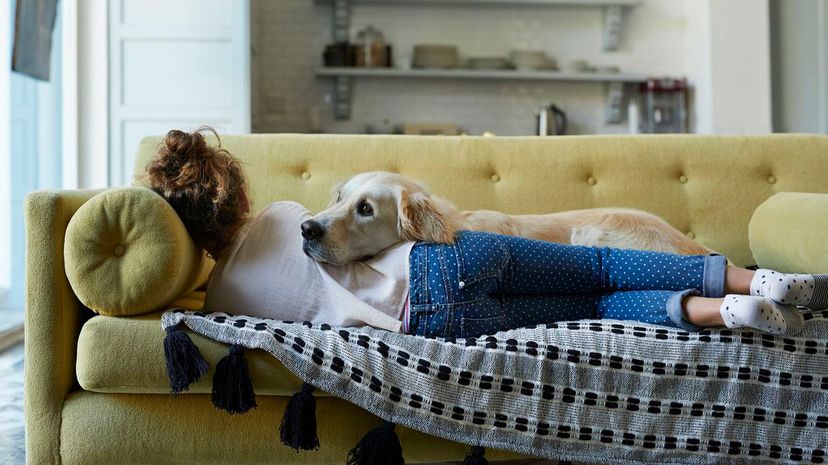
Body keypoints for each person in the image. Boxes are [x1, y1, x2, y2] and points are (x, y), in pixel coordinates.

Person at [147, 128, 824, 338]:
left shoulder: (224, 302)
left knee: (597, 309)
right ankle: (749, 280)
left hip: (438, 326)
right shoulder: (291, 218)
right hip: (456, 259)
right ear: (236, 190)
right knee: (604, 268)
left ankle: (725, 313)